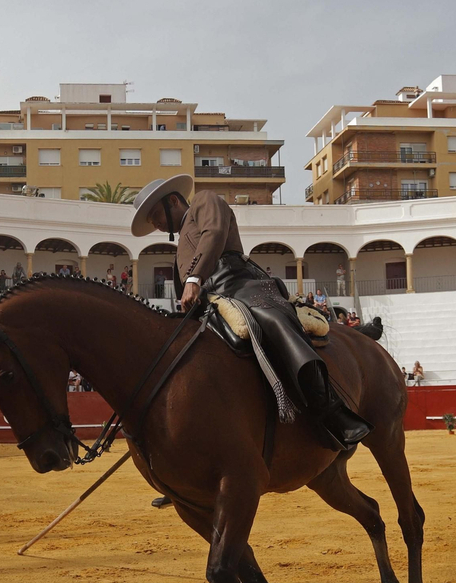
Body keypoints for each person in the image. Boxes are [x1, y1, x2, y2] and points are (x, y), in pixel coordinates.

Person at [129, 173, 370, 455]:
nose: (155, 223)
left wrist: (194, 278)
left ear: (173, 201)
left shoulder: (205, 201)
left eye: (156, 214)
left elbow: (214, 234)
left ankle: (329, 408)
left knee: (273, 320)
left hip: (238, 284)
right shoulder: (181, 238)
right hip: (205, 302)